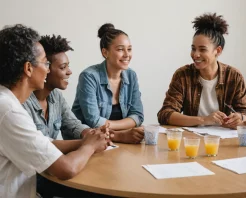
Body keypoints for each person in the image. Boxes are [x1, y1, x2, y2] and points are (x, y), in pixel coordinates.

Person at [0, 24, 108, 198]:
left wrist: (89, 140)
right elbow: (66, 169)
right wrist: (89, 146)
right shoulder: (9, 111)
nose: (48, 69)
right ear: (28, 68)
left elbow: (44, 142)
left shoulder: (7, 103)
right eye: (45, 63)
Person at [157, 13, 246, 129]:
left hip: (225, 141)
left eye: (202, 49)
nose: (195, 54)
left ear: (217, 50)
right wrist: (204, 120)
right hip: (191, 141)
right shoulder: (183, 75)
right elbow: (165, 114)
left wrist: (240, 117)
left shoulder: (233, 76)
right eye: (193, 49)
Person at [72, 23, 144, 144]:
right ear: (105, 53)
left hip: (119, 141)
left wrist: (115, 132)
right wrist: (122, 132)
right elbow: (94, 122)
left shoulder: (131, 76)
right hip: (87, 143)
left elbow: (138, 116)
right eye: (120, 49)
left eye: (129, 49)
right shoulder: (89, 77)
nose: (127, 55)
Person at [23, 34, 95, 140]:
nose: (69, 72)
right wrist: (88, 143)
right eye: (63, 67)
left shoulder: (56, 96)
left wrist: (91, 134)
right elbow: (41, 145)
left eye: (68, 66)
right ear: (45, 67)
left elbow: (73, 124)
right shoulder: (23, 102)